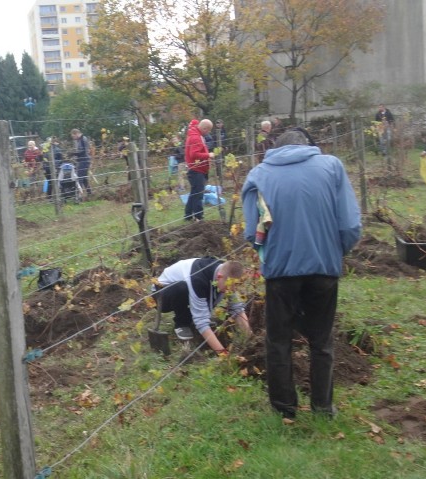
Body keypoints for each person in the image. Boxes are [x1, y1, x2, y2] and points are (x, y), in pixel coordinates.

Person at [241, 128, 361, 420]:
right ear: (309, 146)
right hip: (323, 268)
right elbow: (349, 225)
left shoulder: (258, 175)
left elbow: (251, 232)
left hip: (281, 272)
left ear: (274, 148)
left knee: (278, 340)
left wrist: (272, 257)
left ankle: (285, 409)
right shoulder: (332, 166)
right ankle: (323, 407)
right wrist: (333, 252)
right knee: (322, 339)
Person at [153, 258, 252, 351]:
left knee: (206, 293)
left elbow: (237, 309)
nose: (232, 290)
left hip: (189, 285)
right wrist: (222, 353)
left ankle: (190, 318)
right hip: (161, 294)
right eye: (230, 286)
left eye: (235, 286)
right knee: (182, 288)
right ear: (219, 277)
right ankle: (181, 324)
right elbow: (201, 322)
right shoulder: (198, 279)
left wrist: (250, 338)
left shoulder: (225, 273)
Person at [184, 118, 215, 221]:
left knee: (194, 193)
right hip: (197, 170)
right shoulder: (195, 137)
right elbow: (194, 154)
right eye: (208, 130)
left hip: (197, 169)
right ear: (204, 128)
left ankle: (188, 215)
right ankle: (198, 217)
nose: (209, 132)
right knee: (198, 195)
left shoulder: (196, 135)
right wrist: (208, 155)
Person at [70, 128, 92, 196]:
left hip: (84, 160)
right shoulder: (81, 139)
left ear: (76, 134)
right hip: (84, 160)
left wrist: (74, 153)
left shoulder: (83, 139)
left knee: (80, 177)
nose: (73, 138)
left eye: (73, 136)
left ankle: (79, 195)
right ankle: (89, 193)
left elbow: (83, 151)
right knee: (84, 177)